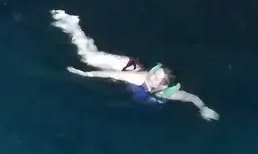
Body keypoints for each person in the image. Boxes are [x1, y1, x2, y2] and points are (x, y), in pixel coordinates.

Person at [49, 9, 219, 120]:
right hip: (127, 66)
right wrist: (85, 74)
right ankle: (72, 24)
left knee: (94, 56)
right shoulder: (139, 78)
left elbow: (192, 98)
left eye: (156, 78)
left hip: (126, 77)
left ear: (164, 86)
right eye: (154, 73)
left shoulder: (171, 94)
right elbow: (112, 74)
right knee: (87, 58)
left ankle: (85, 38)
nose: (151, 77)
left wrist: (203, 109)